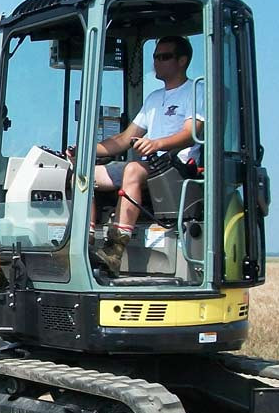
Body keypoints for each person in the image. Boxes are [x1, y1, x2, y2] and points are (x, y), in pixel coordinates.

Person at [81, 36, 204, 275]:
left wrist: (157, 143)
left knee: (132, 169)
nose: (156, 62)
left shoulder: (195, 91)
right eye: (155, 57)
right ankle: (84, 241)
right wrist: (86, 150)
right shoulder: (154, 98)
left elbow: (192, 133)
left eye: (164, 57)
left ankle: (115, 247)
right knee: (83, 172)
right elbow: (124, 139)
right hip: (150, 163)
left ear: (183, 60)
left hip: (175, 166)